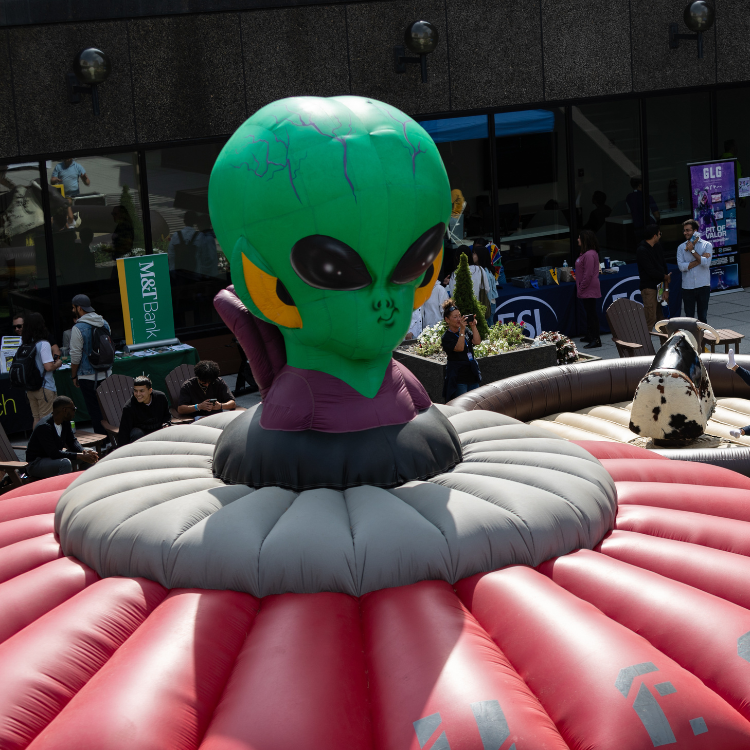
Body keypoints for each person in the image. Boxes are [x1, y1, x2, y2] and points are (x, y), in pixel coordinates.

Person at [69, 294, 112, 436]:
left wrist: (73, 375)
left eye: (73, 308)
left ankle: (103, 442)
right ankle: (113, 438)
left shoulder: (78, 328)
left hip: (87, 376)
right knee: (107, 409)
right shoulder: (104, 323)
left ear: (79, 308)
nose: (72, 310)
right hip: (107, 373)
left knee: (95, 411)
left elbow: (75, 356)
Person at [25, 396, 98, 478]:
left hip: (52, 459)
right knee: (65, 463)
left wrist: (83, 451)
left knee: (89, 453)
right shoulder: (44, 426)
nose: (75, 412)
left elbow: (72, 441)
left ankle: (84, 482)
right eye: (73, 409)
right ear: (65, 410)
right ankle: (62, 489)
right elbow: (54, 453)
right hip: (36, 464)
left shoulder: (65, 422)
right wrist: (80, 455)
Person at [20, 312, 63, 428]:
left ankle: (37, 445)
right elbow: (48, 367)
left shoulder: (24, 343)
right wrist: (58, 363)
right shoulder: (43, 343)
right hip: (45, 387)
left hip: (30, 388)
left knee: (36, 418)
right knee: (48, 420)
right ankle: (48, 445)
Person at [441, 298, 481, 402]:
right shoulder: (446, 337)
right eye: (455, 317)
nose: (459, 319)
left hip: (471, 373)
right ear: (447, 320)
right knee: (462, 404)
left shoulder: (466, 330)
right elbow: (460, 348)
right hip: (458, 377)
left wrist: (473, 327)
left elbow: (477, 341)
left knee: (475, 403)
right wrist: (462, 330)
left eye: (460, 316)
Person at [117, 376, 172, 446]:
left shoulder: (161, 397)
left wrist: (166, 424)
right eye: (135, 391)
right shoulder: (129, 407)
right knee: (136, 433)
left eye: (141, 391)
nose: (138, 394)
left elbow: (167, 416)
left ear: (150, 390)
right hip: (141, 437)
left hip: (158, 431)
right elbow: (124, 432)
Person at [677, 219, 712, 324]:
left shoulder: (707, 245)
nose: (685, 233)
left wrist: (692, 251)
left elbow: (706, 263)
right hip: (688, 287)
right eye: (684, 230)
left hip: (703, 285)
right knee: (689, 319)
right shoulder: (681, 247)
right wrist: (700, 258)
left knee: (702, 317)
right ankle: (690, 340)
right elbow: (681, 267)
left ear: (695, 231)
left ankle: (703, 340)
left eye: (688, 230)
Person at [636, 224, 670, 332]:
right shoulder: (642, 250)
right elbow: (650, 271)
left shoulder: (658, 246)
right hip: (649, 288)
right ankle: (644, 346)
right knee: (650, 318)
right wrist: (665, 277)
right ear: (655, 235)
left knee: (663, 319)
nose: (661, 236)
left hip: (661, 287)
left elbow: (664, 267)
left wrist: (666, 289)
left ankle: (666, 346)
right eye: (660, 233)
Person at [576, 229, 602, 349]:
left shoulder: (590, 255)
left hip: (589, 289)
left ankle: (596, 339)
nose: (577, 240)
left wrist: (581, 288)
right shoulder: (585, 254)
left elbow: (588, 274)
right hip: (586, 289)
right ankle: (590, 335)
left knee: (592, 314)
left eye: (579, 238)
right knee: (589, 313)